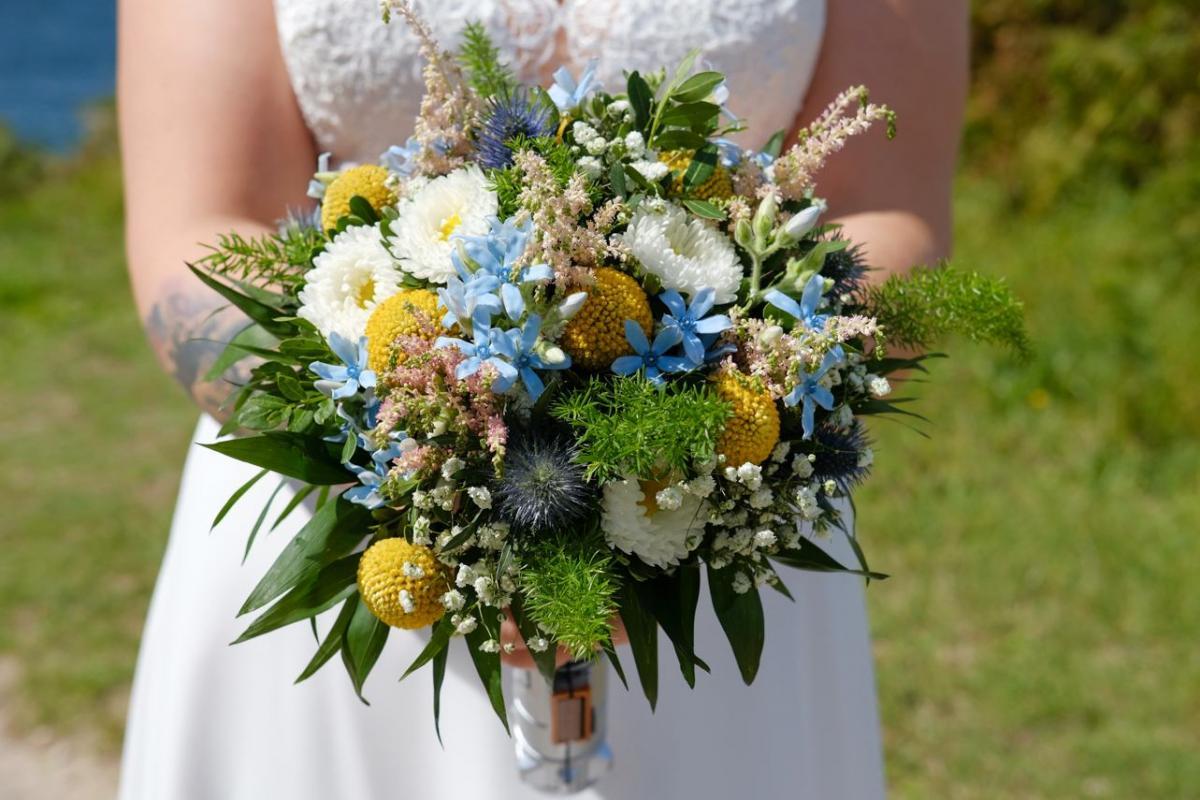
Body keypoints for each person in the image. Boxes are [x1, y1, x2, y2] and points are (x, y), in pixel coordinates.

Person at [117, 0, 967, 796]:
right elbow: (202, 224)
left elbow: (885, 207)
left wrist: (705, 446)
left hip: (713, 516)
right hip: (359, 509)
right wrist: (415, 462)